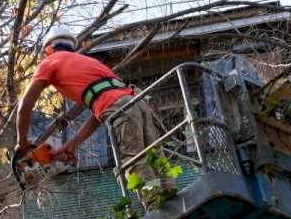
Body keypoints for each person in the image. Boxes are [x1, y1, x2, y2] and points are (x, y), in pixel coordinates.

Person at [15, 26, 177, 208]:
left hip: (120, 109)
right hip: (137, 103)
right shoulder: (88, 62)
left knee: (134, 160)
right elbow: (100, 111)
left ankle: (156, 207)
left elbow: (24, 106)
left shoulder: (49, 62)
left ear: (48, 50)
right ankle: (173, 200)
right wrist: (73, 143)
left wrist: (22, 142)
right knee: (155, 156)